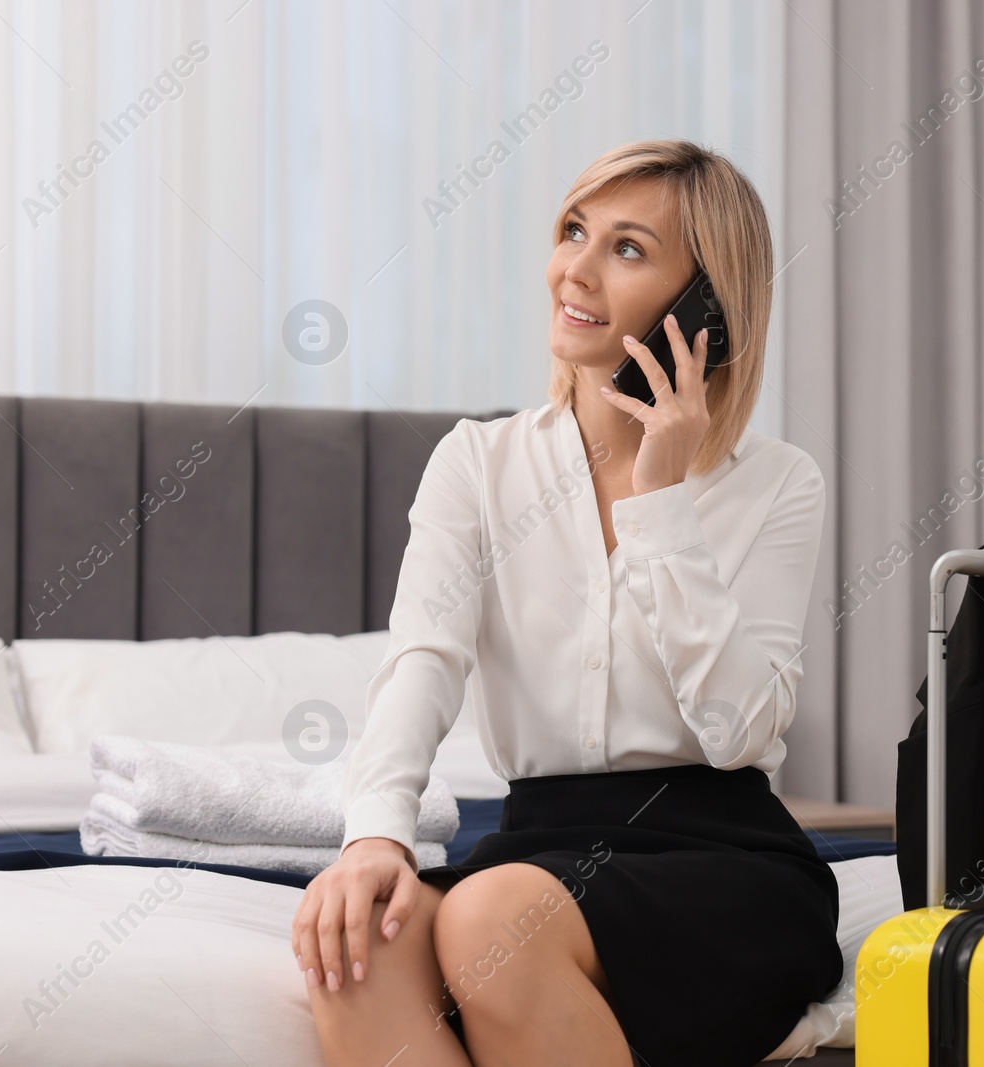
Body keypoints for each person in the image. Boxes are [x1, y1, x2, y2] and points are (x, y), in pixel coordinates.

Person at [291, 138, 842, 1067]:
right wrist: (374, 836)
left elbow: (741, 732)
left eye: (627, 249)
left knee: (487, 919)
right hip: (540, 847)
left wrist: (662, 504)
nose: (574, 270)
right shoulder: (478, 462)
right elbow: (423, 659)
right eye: (573, 231)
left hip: (723, 858)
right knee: (362, 946)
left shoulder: (781, 483)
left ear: (704, 302)